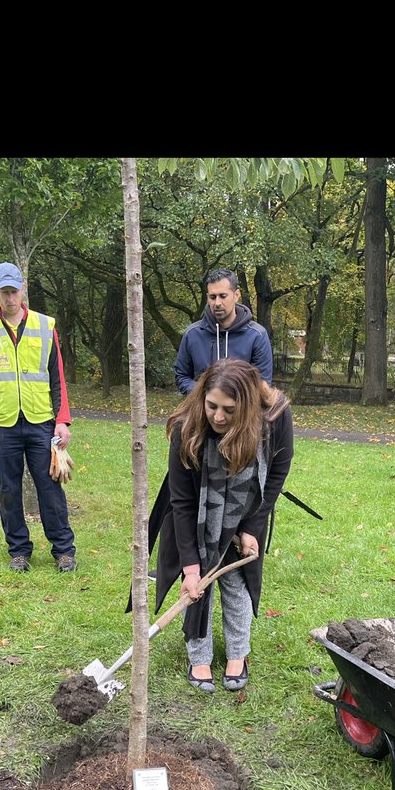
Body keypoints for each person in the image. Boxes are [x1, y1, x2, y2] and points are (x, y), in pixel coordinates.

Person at [152, 358, 293, 692]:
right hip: (198, 509)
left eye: (229, 410)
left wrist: (252, 526)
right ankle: (198, 656)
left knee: (236, 579)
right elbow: (183, 503)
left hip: (245, 505)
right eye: (212, 405)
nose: (217, 416)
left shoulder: (273, 416)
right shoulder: (189, 426)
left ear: (246, 407)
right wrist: (189, 568)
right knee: (197, 581)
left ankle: (238, 653)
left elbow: (276, 473)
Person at [0, 261, 77, 573]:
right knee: (9, 490)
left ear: (23, 289)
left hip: (41, 422)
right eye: (4, 292)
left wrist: (62, 420)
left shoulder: (45, 326)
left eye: (15, 291)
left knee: (50, 487)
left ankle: (64, 551)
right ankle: (19, 551)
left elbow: (58, 377)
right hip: (1, 425)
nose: (10, 298)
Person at [174, 268, 273, 392]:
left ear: (236, 295)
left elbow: (262, 383)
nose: (217, 303)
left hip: (241, 409)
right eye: (212, 297)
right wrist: (204, 394)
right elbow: (181, 376)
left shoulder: (257, 336)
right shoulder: (192, 334)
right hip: (201, 409)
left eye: (223, 296)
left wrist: (231, 397)